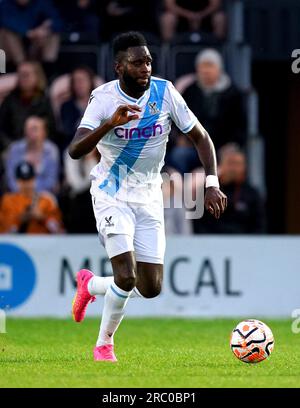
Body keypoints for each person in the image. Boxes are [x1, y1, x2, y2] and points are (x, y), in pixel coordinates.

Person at [69, 31, 227, 362]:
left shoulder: (165, 92)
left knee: (150, 287)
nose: (146, 67)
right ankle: (104, 345)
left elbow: (201, 137)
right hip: (111, 192)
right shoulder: (103, 98)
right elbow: (75, 149)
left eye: (149, 61)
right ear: (119, 67)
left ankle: (91, 285)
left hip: (150, 193)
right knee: (126, 276)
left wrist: (212, 182)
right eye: (137, 62)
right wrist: (109, 124)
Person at [182, 49, 247, 151]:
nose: (206, 71)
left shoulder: (232, 93)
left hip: (223, 146)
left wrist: (234, 143)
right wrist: (180, 138)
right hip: (193, 145)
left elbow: (240, 124)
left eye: (210, 66)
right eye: (203, 66)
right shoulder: (190, 91)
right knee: (180, 155)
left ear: (219, 69)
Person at [193, 143, 266, 234]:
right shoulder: (207, 191)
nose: (233, 169)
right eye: (230, 163)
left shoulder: (252, 194)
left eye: (238, 164)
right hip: (212, 242)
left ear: (244, 167)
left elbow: (259, 226)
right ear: (220, 166)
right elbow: (198, 224)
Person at [0, 61, 56, 152]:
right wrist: (9, 145)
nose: (23, 78)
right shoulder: (10, 100)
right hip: (12, 147)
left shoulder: (44, 101)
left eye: (26, 75)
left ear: (36, 76)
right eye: (20, 75)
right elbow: (1, 130)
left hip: (39, 148)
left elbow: (51, 130)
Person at [0, 161, 64, 234]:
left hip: (43, 243)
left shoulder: (47, 200)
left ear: (34, 179)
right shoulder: (8, 201)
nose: (26, 184)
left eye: (29, 180)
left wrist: (42, 217)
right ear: (17, 181)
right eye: (23, 181)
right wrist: (20, 220)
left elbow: (60, 232)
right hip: (17, 244)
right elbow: (4, 233)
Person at [0, 0, 62, 70]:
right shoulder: (6, 4)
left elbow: (58, 22)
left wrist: (45, 27)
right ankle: (21, 67)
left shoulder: (42, 2)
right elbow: (5, 22)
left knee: (52, 33)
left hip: (36, 43)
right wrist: (27, 32)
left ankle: (48, 69)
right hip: (13, 46)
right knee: (8, 33)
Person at [5, 116, 60, 193]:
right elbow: (10, 179)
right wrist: (24, 192)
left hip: (43, 196)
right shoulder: (14, 149)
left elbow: (51, 181)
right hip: (17, 194)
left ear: (44, 132)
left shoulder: (51, 150)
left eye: (34, 129)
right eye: (27, 129)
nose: (29, 132)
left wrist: (31, 191)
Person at [59, 66, 96, 152]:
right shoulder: (66, 106)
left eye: (82, 80)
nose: (79, 84)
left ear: (90, 82)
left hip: (96, 148)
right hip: (73, 146)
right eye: (76, 81)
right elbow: (68, 130)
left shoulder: (99, 104)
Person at [160, 0, 226, 42]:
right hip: (181, 19)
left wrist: (200, 15)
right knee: (167, 18)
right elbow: (169, 5)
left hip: (205, 17)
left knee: (220, 18)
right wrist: (189, 15)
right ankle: (168, 51)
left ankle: (219, 50)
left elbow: (216, 5)